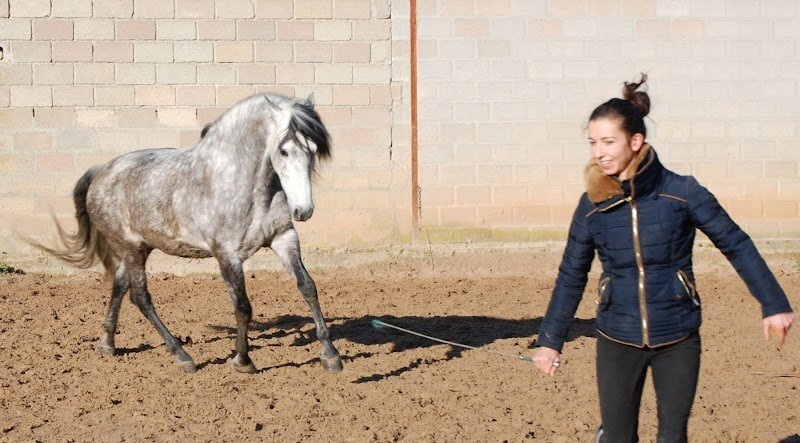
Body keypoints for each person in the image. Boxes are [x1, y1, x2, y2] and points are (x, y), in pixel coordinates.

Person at [530, 74, 795, 442]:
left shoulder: (682, 192)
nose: (599, 151)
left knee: (673, 436)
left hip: (678, 335)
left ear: (635, 141)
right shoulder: (591, 205)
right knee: (620, 437)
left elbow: (736, 243)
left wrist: (774, 303)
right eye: (593, 142)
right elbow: (571, 275)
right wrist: (550, 341)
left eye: (609, 141)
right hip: (616, 336)